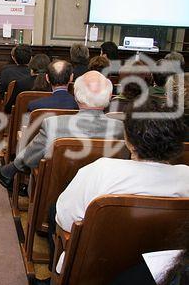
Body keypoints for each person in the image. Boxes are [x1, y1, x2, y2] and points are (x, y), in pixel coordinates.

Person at [53, 101, 189, 274]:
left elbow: (64, 219)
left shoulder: (101, 170)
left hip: (93, 267)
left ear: (129, 140)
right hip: (164, 271)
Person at [0, 71, 124, 190]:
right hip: (103, 188)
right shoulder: (122, 128)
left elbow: (30, 159)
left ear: (76, 94)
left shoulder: (54, 124)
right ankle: (7, 171)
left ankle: (8, 171)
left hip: (56, 188)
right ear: (110, 95)